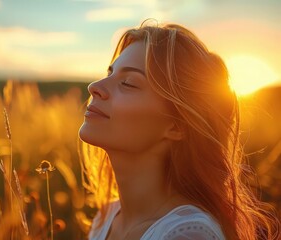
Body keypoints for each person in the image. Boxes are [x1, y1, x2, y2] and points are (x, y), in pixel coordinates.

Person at [78, 20, 279, 240]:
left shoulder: (187, 235)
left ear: (176, 126)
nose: (94, 87)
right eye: (109, 73)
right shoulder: (105, 218)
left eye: (128, 83)